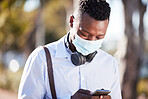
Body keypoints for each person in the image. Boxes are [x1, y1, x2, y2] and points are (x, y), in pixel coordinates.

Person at [18, 0, 122, 99]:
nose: (91, 41)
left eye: (99, 37)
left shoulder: (110, 64)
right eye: (85, 34)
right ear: (72, 21)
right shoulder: (42, 58)